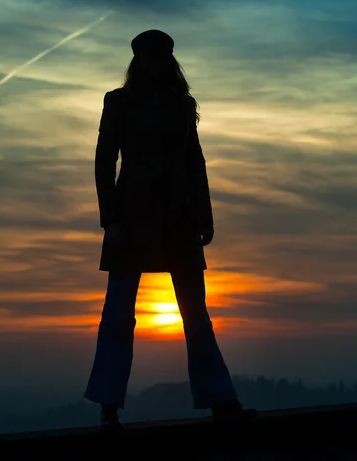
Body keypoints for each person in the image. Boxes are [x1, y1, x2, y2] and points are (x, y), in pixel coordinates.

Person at [84, 29, 245, 430]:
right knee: (118, 313)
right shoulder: (118, 103)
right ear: (139, 61)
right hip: (132, 217)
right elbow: (104, 162)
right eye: (149, 58)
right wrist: (112, 220)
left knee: (195, 313)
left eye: (161, 57)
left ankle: (219, 398)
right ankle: (108, 403)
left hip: (179, 218)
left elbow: (196, 162)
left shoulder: (182, 105)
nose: (156, 65)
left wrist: (205, 216)